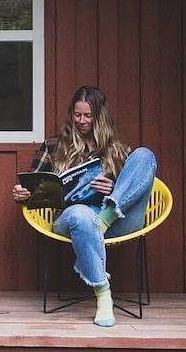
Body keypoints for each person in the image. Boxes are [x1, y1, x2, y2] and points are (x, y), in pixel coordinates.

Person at [12, 86, 157, 328]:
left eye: (88, 116)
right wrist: (23, 193)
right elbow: (36, 184)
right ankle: (103, 294)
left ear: (99, 117)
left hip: (114, 220)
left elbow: (134, 185)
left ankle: (105, 217)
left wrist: (112, 190)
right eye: (77, 115)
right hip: (72, 220)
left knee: (145, 155)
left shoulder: (118, 149)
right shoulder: (54, 147)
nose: (81, 121)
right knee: (81, 215)